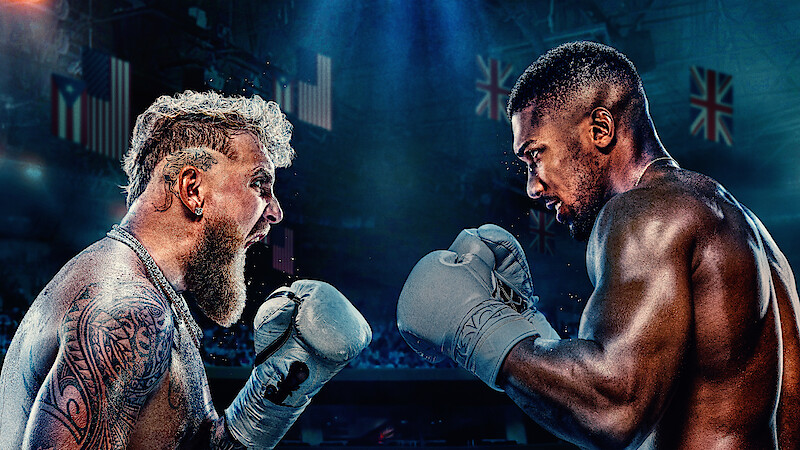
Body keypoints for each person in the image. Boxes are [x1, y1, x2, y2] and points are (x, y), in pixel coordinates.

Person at [397, 41, 800, 449]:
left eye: (535, 154)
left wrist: (479, 331)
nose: (532, 187)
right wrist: (533, 333)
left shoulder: (644, 212)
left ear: (600, 129)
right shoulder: (753, 236)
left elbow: (613, 409)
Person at [0, 91, 372, 449]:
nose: (275, 212)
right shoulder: (126, 313)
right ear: (192, 189)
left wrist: (271, 397)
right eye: (260, 184)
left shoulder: (143, 294)